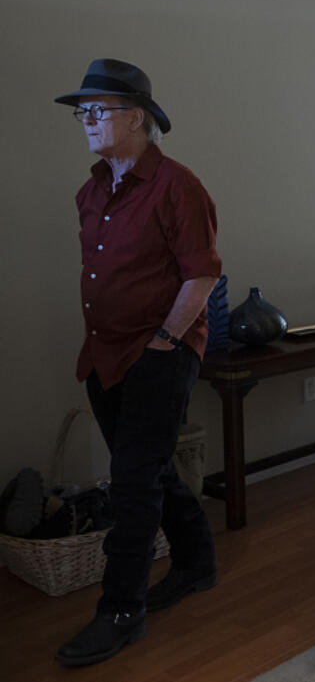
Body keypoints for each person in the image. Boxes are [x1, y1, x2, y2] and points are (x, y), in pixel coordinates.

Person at [52, 59, 222, 667]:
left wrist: (166, 341)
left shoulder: (178, 185)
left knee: (130, 483)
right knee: (147, 469)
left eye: (98, 110)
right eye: (84, 112)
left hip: (159, 352)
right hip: (102, 351)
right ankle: (199, 562)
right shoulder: (91, 189)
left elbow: (201, 272)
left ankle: (122, 611)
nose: (87, 122)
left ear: (138, 118)